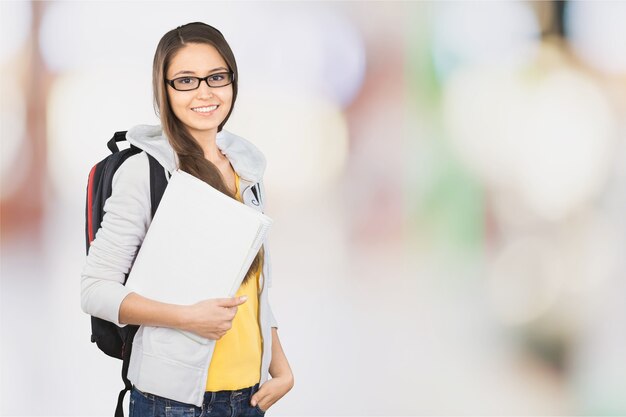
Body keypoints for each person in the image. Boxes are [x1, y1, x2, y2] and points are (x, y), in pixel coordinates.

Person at [81, 22, 294, 416]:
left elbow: (251, 287)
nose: (204, 92)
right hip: (175, 403)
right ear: (163, 89)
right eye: (185, 80)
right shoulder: (145, 172)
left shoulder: (246, 169)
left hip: (248, 396)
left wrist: (280, 370)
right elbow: (95, 290)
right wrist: (187, 318)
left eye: (216, 76)